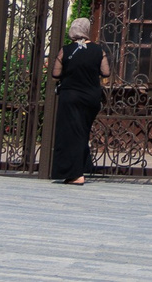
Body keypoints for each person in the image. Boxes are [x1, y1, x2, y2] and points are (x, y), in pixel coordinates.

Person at [52, 16, 104, 185]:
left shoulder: (65, 50)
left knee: (70, 134)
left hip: (71, 97)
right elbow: (106, 72)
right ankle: (80, 168)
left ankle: (75, 174)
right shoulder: (98, 50)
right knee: (82, 132)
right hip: (91, 98)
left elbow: (55, 74)